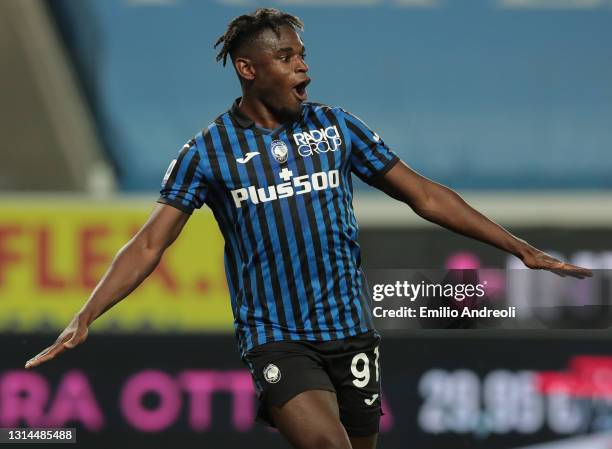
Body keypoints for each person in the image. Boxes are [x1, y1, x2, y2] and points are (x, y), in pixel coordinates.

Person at [25, 8, 592, 449]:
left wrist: (520, 249)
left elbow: (423, 194)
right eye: (289, 57)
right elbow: (150, 242)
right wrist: (86, 314)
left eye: (303, 56)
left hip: (350, 330)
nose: (305, 68)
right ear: (250, 69)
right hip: (276, 336)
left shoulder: (336, 128)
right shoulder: (207, 153)